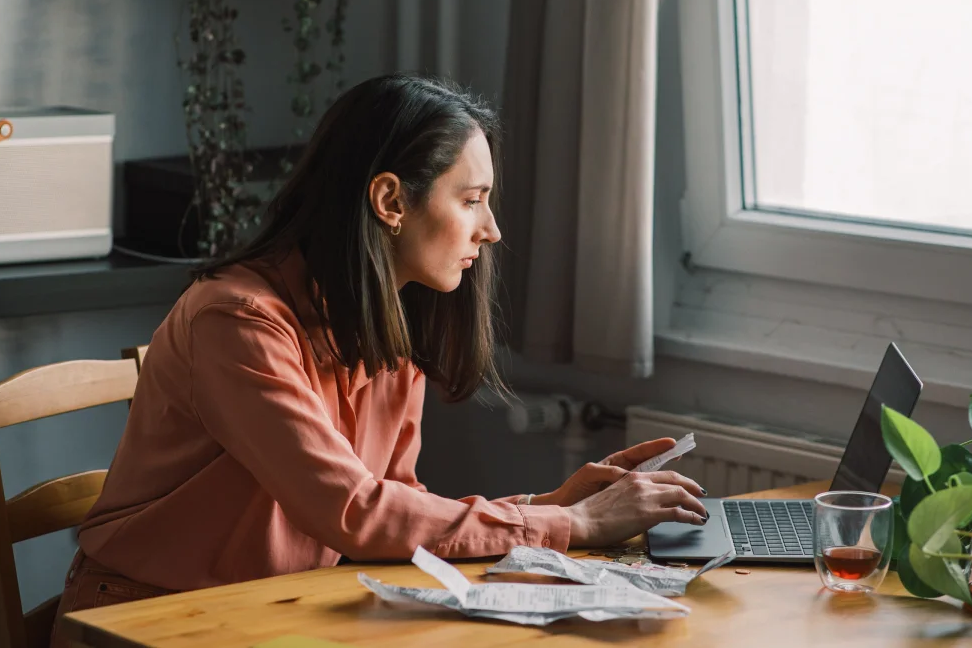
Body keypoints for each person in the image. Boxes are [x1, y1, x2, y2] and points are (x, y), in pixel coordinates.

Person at [52, 73, 707, 646]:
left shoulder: (386, 324)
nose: (493, 228)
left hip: (275, 613)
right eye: (472, 198)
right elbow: (358, 514)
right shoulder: (238, 322)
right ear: (391, 201)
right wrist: (570, 523)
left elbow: (397, 510)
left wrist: (547, 502)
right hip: (147, 621)